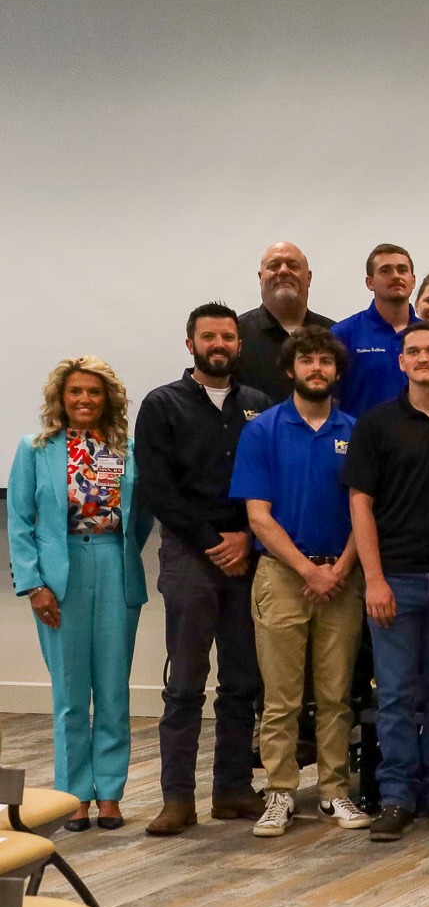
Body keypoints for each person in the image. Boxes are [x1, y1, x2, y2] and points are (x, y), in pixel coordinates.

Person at [344, 323, 429, 841]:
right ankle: (397, 797)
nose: (424, 358)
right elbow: (360, 504)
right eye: (414, 351)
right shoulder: (375, 425)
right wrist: (374, 578)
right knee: (398, 695)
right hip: (395, 580)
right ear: (400, 362)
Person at [133, 305, 269, 835]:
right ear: (190, 343)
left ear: (239, 344)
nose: (219, 343)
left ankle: (233, 790)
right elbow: (158, 488)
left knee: (241, 680)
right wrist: (215, 542)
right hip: (192, 555)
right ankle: (177, 799)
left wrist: (248, 538)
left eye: (228, 336)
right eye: (208, 336)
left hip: (248, 554)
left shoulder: (258, 405)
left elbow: (271, 479)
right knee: (186, 682)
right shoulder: (162, 404)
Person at [229, 326, 367, 838]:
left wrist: (338, 569)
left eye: (325, 362)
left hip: (342, 576)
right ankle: (280, 792)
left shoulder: (356, 431)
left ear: (336, 372)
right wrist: (308, 570)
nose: (316, 369)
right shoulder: (262, 430)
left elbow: (363, 514)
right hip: (282, 576)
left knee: (336, 695)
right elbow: (258, 517)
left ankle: (334, 792)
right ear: (291, 370)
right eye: (306, 361)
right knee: (281, 697)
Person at [10, 358, 150, 830]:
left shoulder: (126, 449)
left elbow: (142, 516)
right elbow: (19, 521)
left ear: (107, 398)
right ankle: (74, 794)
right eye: (75, 392)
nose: (85, 400)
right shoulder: (35, 449)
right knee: (70, 693)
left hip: (114, 565)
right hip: (57, 575)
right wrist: (33, 584)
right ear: (61, 398)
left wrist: (120, 549)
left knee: (112, 687)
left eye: (93, 392)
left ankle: (109, 792)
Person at [331, 244, 422, 417]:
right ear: (370, 282)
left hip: (422, 442)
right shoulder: (343, 334)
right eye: (385, 270)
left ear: (413, 280)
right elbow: (328, 403)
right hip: (360, 441)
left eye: (402, 270)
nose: (395, 276)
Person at [238, 242, 333, 404]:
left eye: (293, 265)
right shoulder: (235, 334)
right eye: (274, 266)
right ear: (261, 278)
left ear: (308, 277)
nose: (283, 271)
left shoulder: (334, 334)